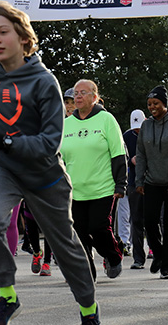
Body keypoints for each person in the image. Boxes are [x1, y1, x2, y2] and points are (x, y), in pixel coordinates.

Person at [0, 0, 99, 324]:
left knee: (66, 248)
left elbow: (49, 144)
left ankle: (89, 311)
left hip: (46, 177)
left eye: (3, 32)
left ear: (23, 37)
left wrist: (2, 141)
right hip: (6, 170)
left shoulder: (45, 82)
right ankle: (7, 296)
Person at [61, 79, 127, 282]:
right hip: (74, 190)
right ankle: (88, 272)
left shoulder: (106, 120)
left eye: (83, 92)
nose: (78, 96)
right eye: (76, 93)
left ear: (94, 97)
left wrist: (121, 183)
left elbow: (118, 153)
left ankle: (113, 256)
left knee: (98, 228)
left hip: (103, 188)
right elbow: (58, 158)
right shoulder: (65, 124)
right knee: (79, 234)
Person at [136, 86, 168, 279]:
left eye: (156, 103)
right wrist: (139, 180)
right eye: (149, 104)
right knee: (149, 221)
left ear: (164, 104)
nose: (152, 107)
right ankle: (158, 254)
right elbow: (140, 154)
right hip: (153, 181)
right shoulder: (146, 126)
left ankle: (167, 267)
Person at [123, 109, 147, 270]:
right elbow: (121, 156)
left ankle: (156, 250)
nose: (137, 131)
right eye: (135, 128)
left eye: (140, 127)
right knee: (136, 220)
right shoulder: (126, 136)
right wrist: (131, 160)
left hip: (152, 181)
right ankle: (138, 257)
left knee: (153, 219)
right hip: (133, 182)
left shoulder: (152, 132)